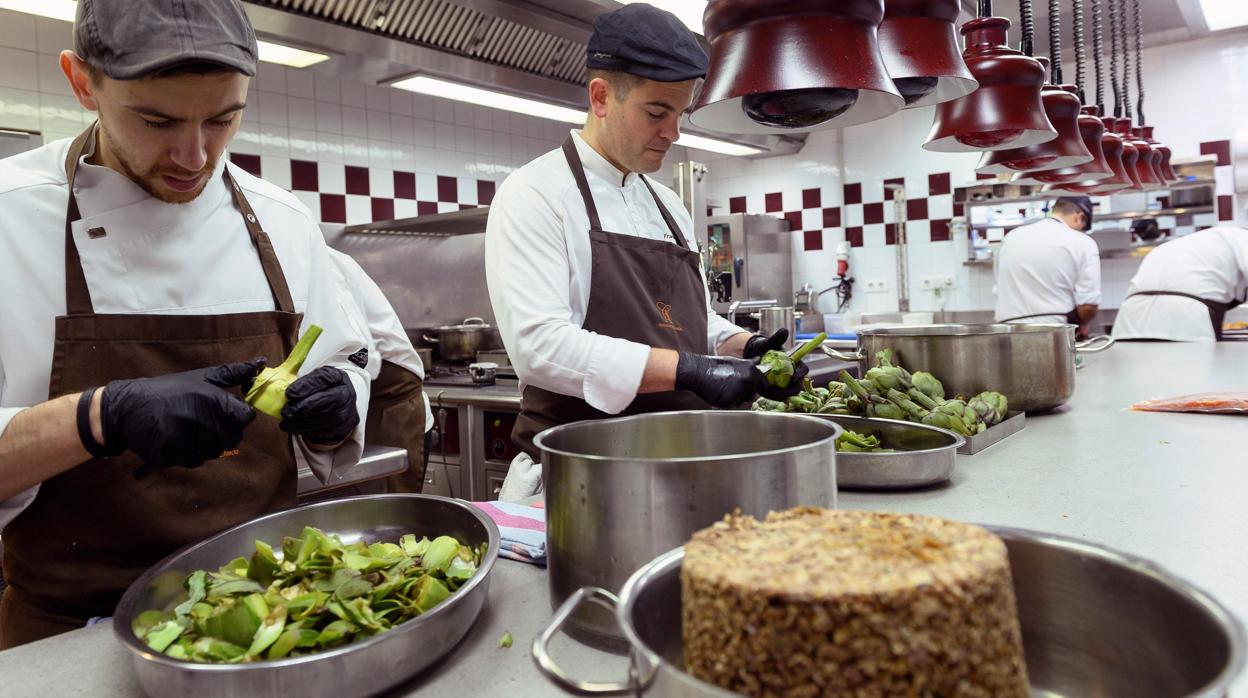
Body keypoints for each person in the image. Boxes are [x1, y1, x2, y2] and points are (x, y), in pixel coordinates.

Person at [0, 0, 372, 647]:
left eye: (223, 119)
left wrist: (342, 401)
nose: (195, 155)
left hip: (271, 617)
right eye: (156, 120)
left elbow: (348, 361)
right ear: (82, 81)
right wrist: (97, 417)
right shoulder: (10, 220)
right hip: (68, 632)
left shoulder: (282, 220)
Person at [484, 3, 803, 500]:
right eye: (657, 112)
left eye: (680, 114)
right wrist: (690, 369)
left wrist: (740, 347)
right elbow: (540, 347)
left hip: (681, 466)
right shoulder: (535, 193)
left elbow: (677, 319)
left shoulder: (667, 203)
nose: (673, 133)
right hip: (580, 480)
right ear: (601, 97)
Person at [328, 249, 433, 491]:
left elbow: (366, 358)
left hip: (389, 411)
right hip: (351, 414)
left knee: (391, 524)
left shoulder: (319, 260)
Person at [1112, 224, 1248, 342]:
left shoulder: (1192, 243)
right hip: (1185, 319)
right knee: (1194, 370)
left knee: (1136, 371)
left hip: (1129, 321)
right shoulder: (1241, 237)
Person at [994, 196, 1102, 339]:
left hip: (1005, 332)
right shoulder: (1083, 242)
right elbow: (1088, 305)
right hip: (1053, 334)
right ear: (1079, 217)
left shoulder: (1009, 238)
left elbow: (999, 286)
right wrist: (1083, 325)